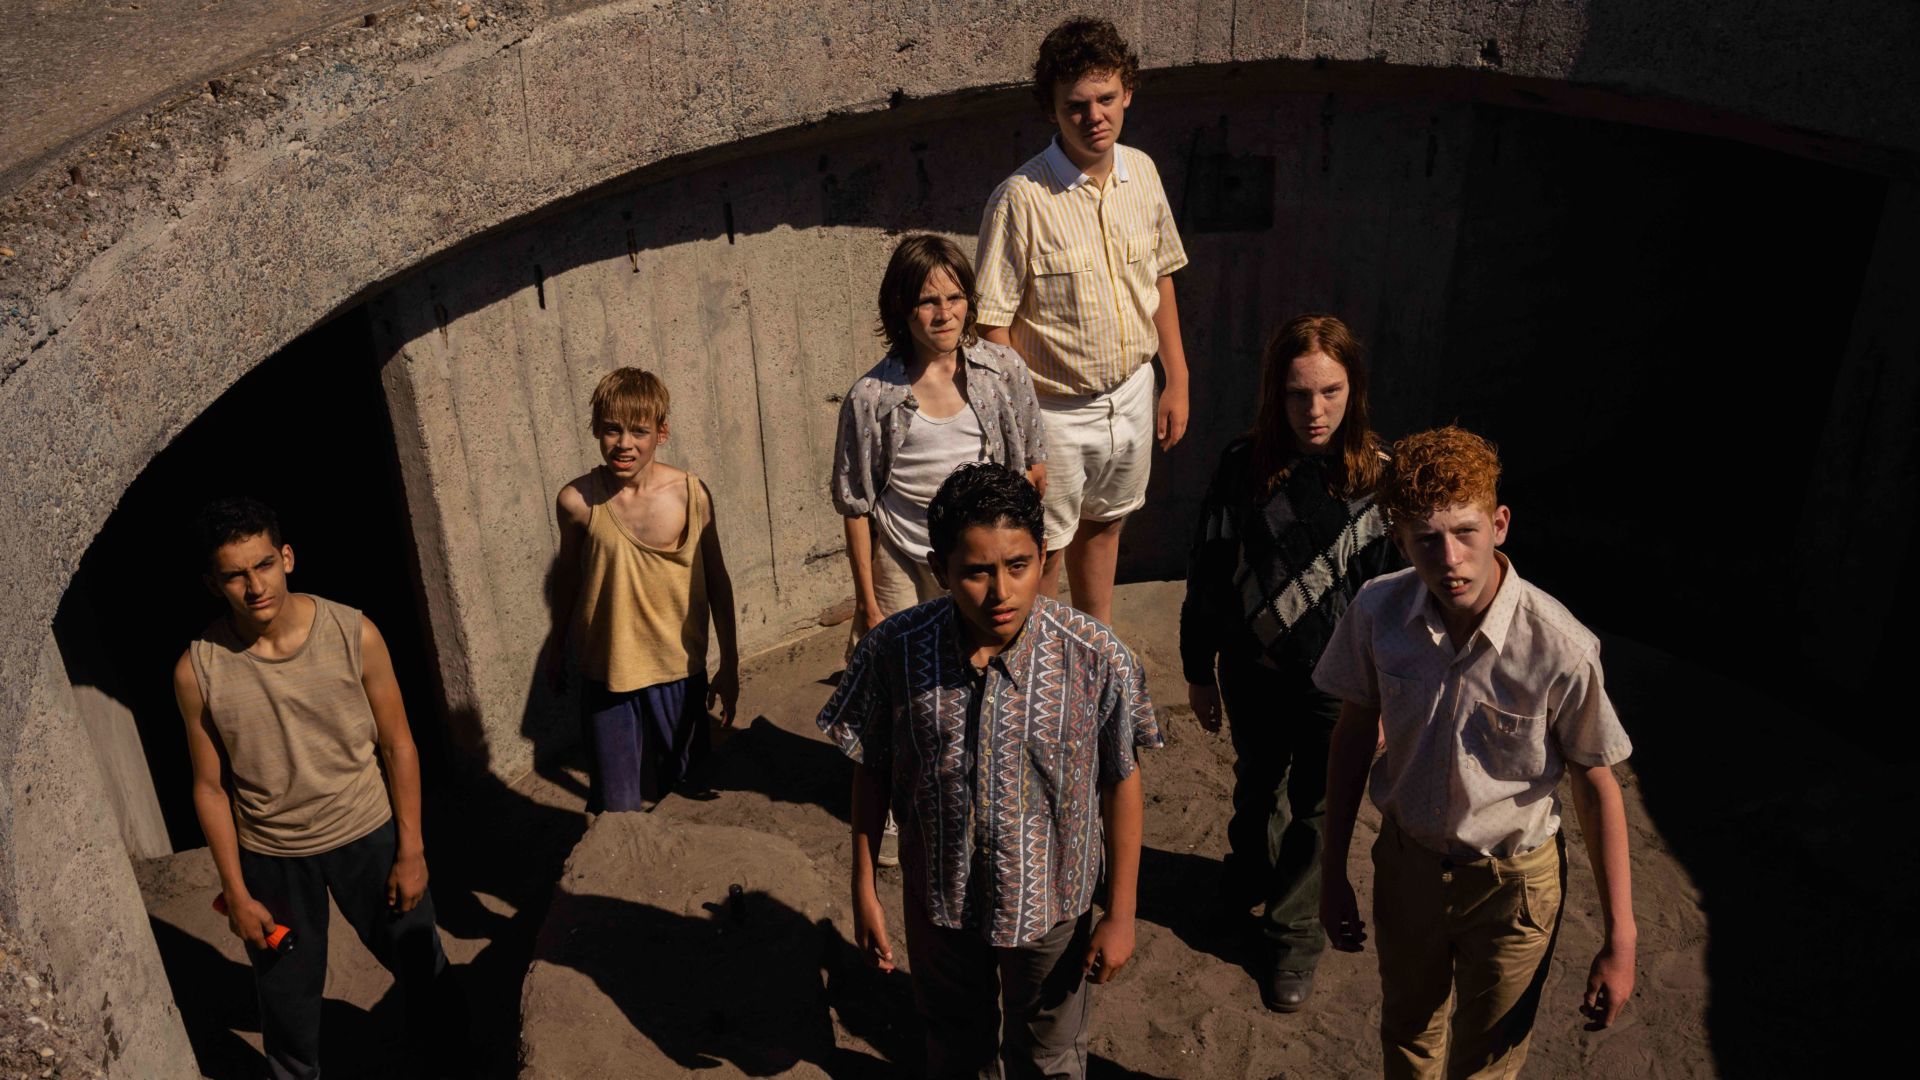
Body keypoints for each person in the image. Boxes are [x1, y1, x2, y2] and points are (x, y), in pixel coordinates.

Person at [818, 462, 1162, 1079]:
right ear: (939, 568)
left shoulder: (1096, 658)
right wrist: (864, 888)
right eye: (976, 571)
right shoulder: (893, 651)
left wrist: (1121, 912)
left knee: (1049, 1055)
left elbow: (1120, 779)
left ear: (1043, 556)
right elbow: (872, 770)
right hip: (940, 902)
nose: (1001, 592)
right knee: (955, 1045)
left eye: (1018, 565)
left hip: (1052, 905)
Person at [1315, 427, 1637, 1078]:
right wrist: (1331, 872)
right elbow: (1353, 734)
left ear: (1500, 524)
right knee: (1407, 1035)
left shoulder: (1559, 647)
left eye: (1466, 532)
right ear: (1398, 539)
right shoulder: (1377, 612)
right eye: (1426, 539)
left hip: (1512, 889)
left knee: (1487, 1061)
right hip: (1406, 869)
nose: (1450, 559)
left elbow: (1594, 782)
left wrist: (1620, 938)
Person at [173, 498, 460, 1079]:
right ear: (213, 584)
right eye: (235, 575)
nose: (255, 587)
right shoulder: (196, 670)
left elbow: (398, 745)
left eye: (263, 565)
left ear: (287, 557)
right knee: (287, 1002)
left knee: (421, 966)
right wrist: (236, 892)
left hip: (368, 834)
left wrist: (412, 850)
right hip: (273, 856)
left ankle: (455, 1063)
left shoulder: (354, 632)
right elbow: (210, 789)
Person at [1178, 314, 1397, 1013]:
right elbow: (1209, 570)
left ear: (1353, 389)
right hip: (1253, 673)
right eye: (1299, 394)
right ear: (1276, 392)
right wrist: (1197, 667)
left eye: (1330, 392)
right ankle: (1249, 878)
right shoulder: (1243, 465)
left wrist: (1387, 701)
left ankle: (1292, 934)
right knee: (1255, 787)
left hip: (1340, 689)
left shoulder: (1378, 480)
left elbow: (1395, 603)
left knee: (1319, 808)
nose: (1315, 410)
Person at [832, 234, 1049, 867]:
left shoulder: (1002, 371)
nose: (945, 313)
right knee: (907, 689)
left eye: (955, 298)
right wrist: (868, 601)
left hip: (979, 565)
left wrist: (1023, 563)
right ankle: (898, 806)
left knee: (983, 675)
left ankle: (992, 790)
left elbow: (1033, 468)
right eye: (929, 302)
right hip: (904, 557)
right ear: (901, 308)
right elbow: (855, 503)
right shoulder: (872, 397)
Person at [974, 17, 1192, 625]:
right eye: (1075, 105)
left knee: (1106, 525)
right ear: (1052, 109)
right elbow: (992, 327)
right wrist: (1022, 433)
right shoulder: (1020, 199)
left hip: (1132, 394)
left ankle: (1096, 645)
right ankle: (1041, 664)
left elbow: (1160, 278)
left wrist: (1176, 378)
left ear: (1127, 93)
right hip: (1053, 412)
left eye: (1105, 98)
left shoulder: (1142, 172)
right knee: (1041, 548)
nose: (1094, 116)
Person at [547, 367, 740, 812]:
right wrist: (557, 645)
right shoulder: (577, 501)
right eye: (612, 429)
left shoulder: (690, 494)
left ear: (661, 432)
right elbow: (568, 579)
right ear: (596, 428)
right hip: (608, 672)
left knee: (687, 795)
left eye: (639, 431)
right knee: (617, 808)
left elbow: (717, 580)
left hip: (678, 668)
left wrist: (730, 663)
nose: (624, 444)